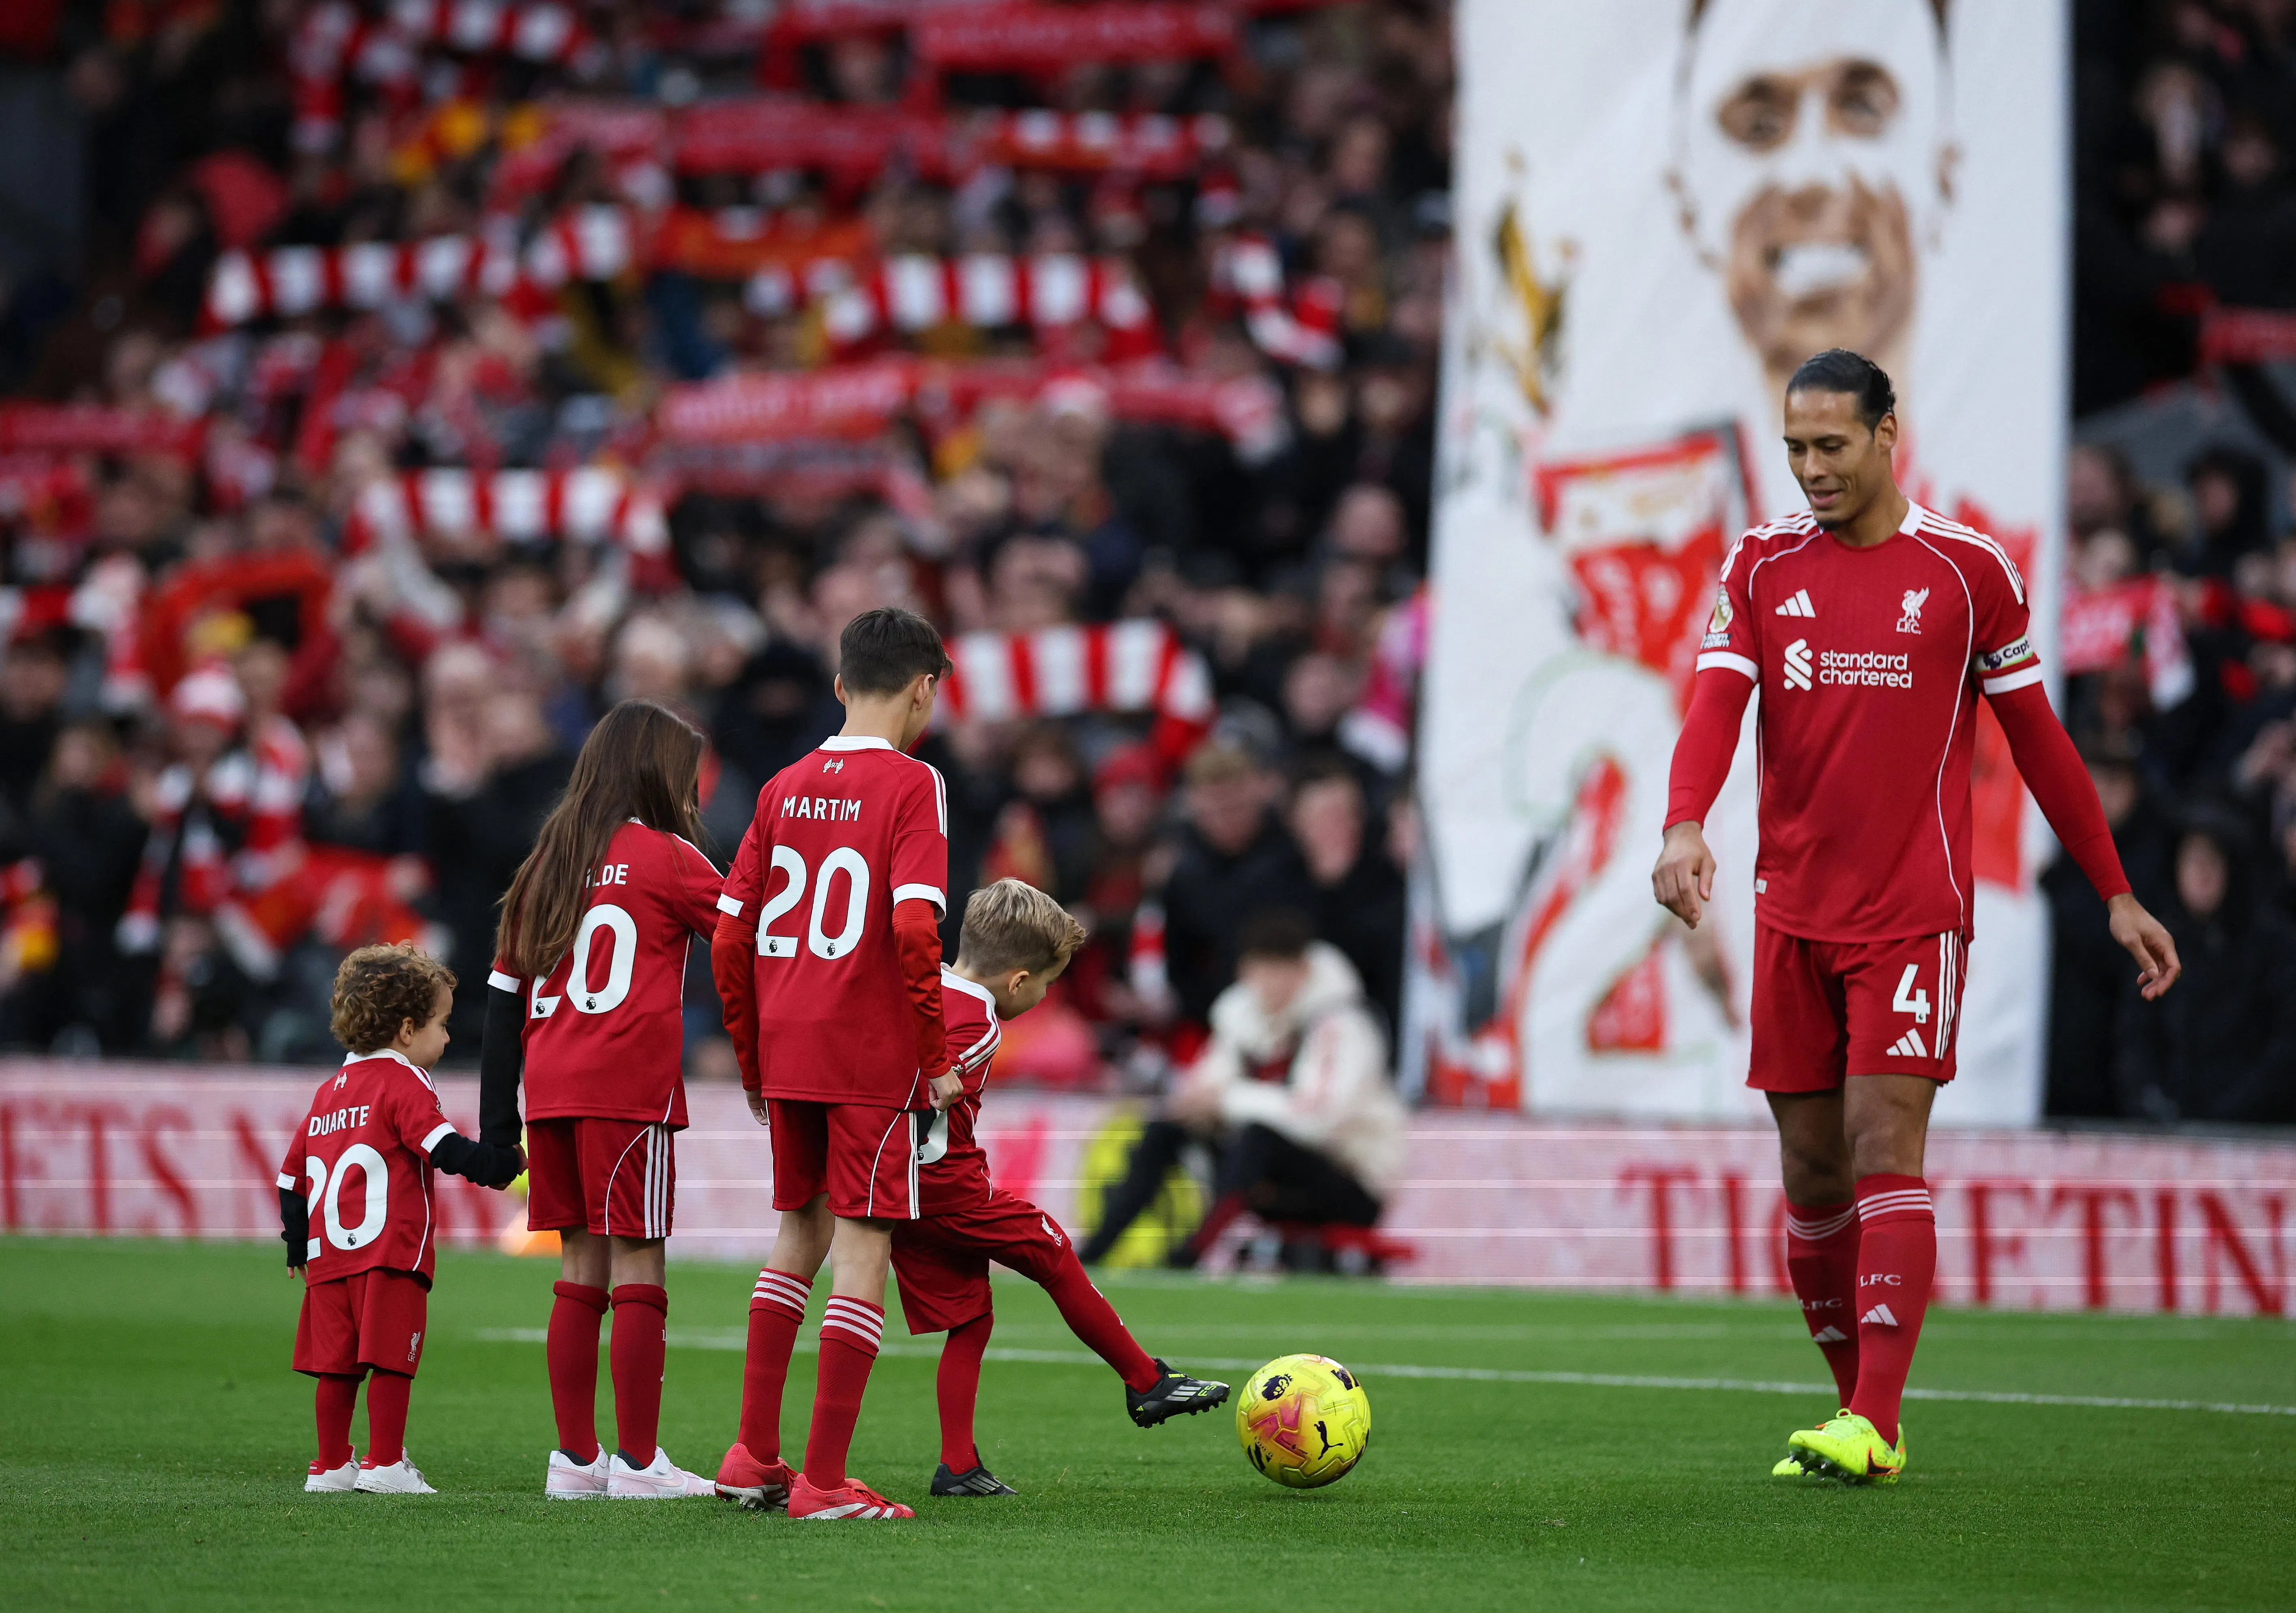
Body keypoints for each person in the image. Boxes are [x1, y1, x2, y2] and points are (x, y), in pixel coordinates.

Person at [1651, 349, 2180, 1484]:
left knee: (1885, 1142)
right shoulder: (1759, 563)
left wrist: (2116, 890)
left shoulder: (1966, 570)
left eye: (1832, 445)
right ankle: (1856, 1418)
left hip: (1909, 913)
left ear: (1890, 434)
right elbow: (1714, 706)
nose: (1810, 469)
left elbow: (2041, 740)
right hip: (1790, 911)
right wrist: (1685, 823)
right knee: (1811, 1172)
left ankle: (1878, 1418)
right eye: (1795, 448)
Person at [710, 607, 955, 1523]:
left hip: (788, 1044)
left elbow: (730, 937)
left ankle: (751, 1454)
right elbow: (912, 926)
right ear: (924, 688)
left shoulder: (781, 786)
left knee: (797, 1237)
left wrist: (751, 1055)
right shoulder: (915, 785)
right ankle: (820, 1480)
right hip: (867, 1049)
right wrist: (932, 1058)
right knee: (863, 1250)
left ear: (842, 684)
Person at [890, 879, 1229, 1499]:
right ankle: (1145, 1380)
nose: (1046, 997)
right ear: (1019, 981)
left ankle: (958, 1465)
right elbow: (918, 1088)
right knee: (1051, 1248)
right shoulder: (980, 1024)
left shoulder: (916, 989)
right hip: (949, 1188)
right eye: (1047, 984)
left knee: (971, 1316)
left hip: (896, 1188)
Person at [480, 699, 729, 1500]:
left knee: (578, 1268)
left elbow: (501, 1000)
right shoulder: (669, 858)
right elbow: (755, 934)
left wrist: (497, 1120)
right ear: (656, 772)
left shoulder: (545, 862)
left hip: (550, 1091)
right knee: (639, 1263)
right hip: (628, 1092)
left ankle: (576, 1460)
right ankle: (640, 1462)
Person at [278, 943, 522, 1495]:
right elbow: (442, 1148)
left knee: (336, 1367)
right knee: (391, 1360)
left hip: (328, 1260)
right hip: (389, 1253)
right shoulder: (403, 1083)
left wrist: (298, 1247)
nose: (449, 1037)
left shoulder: (326, 1094)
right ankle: (386, 1462)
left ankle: (330, 1466)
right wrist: (502, 1165)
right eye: (443, 1023)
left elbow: (289, 1180)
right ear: (408, 1030)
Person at [1081, 911, 1405, 1271]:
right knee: (1166, 1131)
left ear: (1303, 972)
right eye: (1257, 972)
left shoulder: (1342, 1026)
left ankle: (1189, 1258)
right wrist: (1194, 1102)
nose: (1265, 984)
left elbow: (1318, 1118)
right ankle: (1094, 1252)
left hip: (1350, 1181)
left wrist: (1227, 1100)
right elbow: (1211, 1080)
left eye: (1276, 972)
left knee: (1257, 1139)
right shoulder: (1240, 1017)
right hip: (1267, 1175)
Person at [2113, 810, 2296, 1126]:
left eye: (2213, 861)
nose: (2202, 874)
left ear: (2233, 870)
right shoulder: (2159, 942)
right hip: (2168, 1131)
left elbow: (2285, 1047)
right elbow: (2134, 1038)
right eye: (2191, 860)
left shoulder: (2274, 945)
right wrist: (2150, 1103)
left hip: (2255, 1131)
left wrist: (2230, 1112)